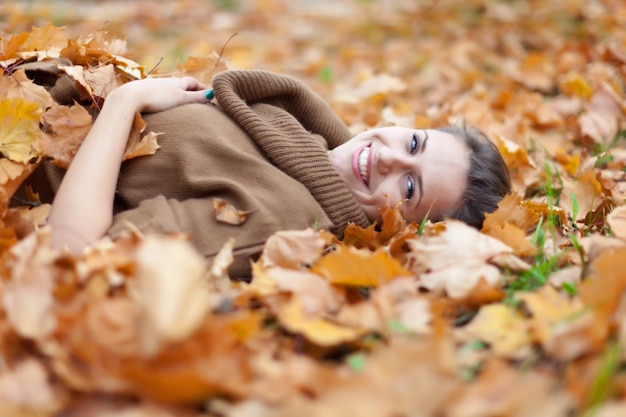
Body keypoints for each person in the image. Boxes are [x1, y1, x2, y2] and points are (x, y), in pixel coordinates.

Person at [17, 68, 511, 277]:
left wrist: (127, 101)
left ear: (401, 230)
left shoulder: (282, 220)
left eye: (409, 185)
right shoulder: (309, 138)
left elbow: (74, 255)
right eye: (415, 142)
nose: (391, 157)